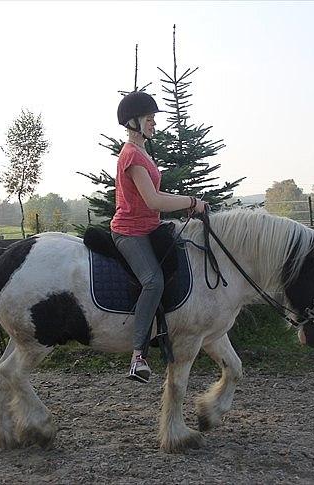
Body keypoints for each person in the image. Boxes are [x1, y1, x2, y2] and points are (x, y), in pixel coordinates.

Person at [111, 91, 207, 383]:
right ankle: (137, 356)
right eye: (149, 119)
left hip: (149, 228)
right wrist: (191, 203)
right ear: (133, 122)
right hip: (129, 231)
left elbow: (158, 196)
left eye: (154, 119)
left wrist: (191, 201)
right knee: (153, 281)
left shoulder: (143, 153)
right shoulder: (131, 155)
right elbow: (153, 201)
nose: (154, 124)